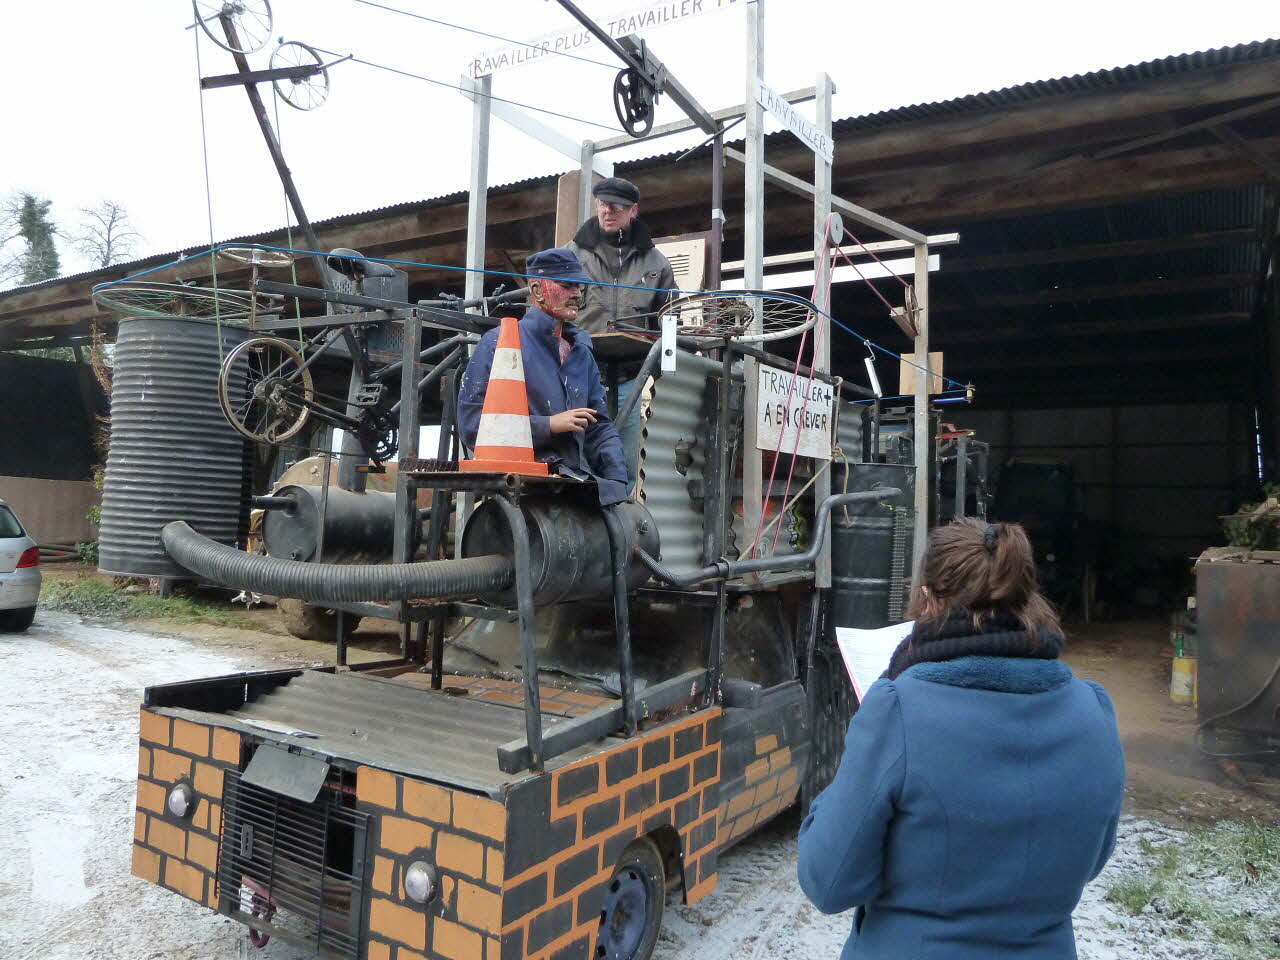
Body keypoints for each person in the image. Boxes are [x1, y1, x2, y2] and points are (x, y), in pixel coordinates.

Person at [797, 518, 1125, 960]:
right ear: (1026, 599)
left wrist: (842, 786)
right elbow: (1091, 861)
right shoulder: (1093, 711)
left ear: (928, 599)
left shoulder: (897, 711)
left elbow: (828, 881)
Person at [458, 248, 628, 506]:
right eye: (567, 285)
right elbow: (472, 426)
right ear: (537, 290)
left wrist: (617, 482)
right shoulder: (499, 345)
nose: (577, 293)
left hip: (573, 487)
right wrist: (548, 425)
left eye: (580, 287)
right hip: (520, 493)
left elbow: (600, 427)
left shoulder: (581, 352)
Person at [565, 177, 676, 488]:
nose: (608, 212)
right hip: (579, 373)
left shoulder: (657, 263)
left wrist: (659, 367)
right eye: (603, 204)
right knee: (572, 459)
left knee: (622, 464)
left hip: (630, 378)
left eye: (617, 206)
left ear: (633, 210)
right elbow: (547, 308)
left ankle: (620, 527)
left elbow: (670, 317)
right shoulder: (570, 255)